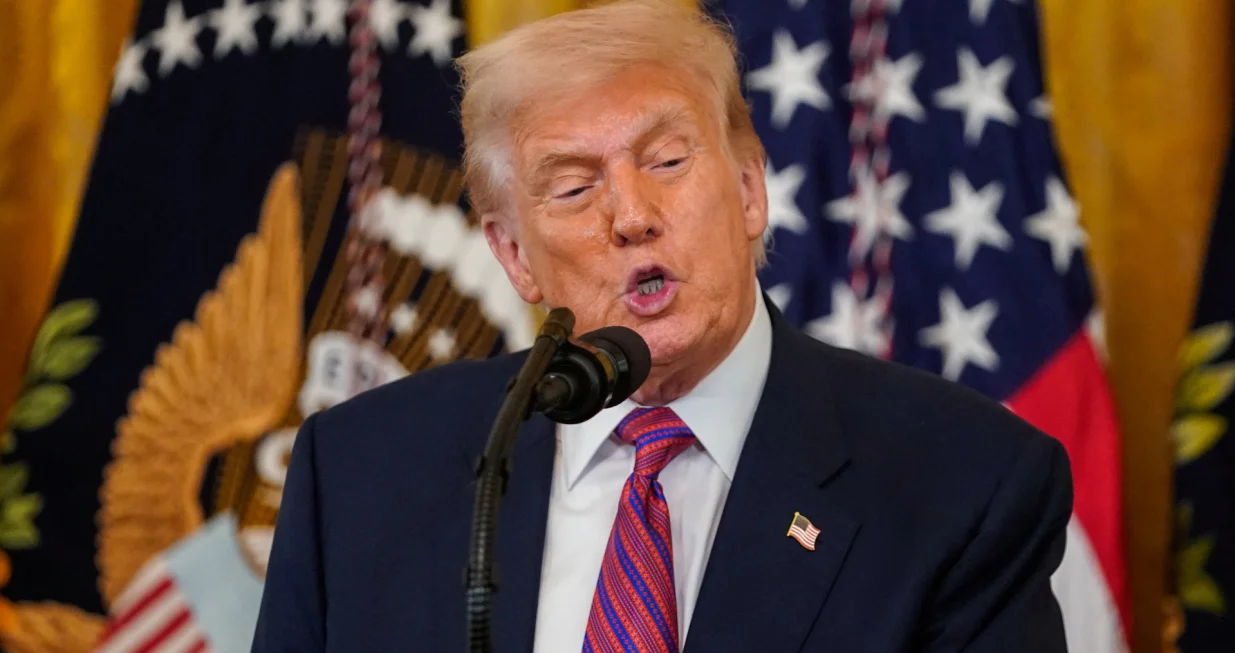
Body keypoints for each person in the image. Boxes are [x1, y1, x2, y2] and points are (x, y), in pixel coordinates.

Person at [251, 1, 1073, 651]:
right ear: (513, 256)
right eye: (572, 188)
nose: (631, 216)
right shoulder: (361, 474)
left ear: (750, 188)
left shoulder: (960, 481)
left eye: (666, 161)